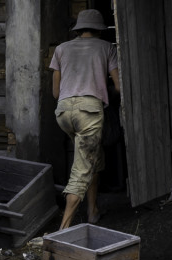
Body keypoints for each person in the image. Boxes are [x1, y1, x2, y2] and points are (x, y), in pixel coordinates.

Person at [50, 8, 121, 230]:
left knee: (93, 158)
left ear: (78, 29)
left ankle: (93, 211)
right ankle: (61, 232)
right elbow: (119, 86)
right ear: (99, 29)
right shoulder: (107, 48)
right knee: (81, 171)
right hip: (89, 112)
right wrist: (103, 91)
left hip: (63, 113)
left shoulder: (61, 49)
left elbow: (55, 92)